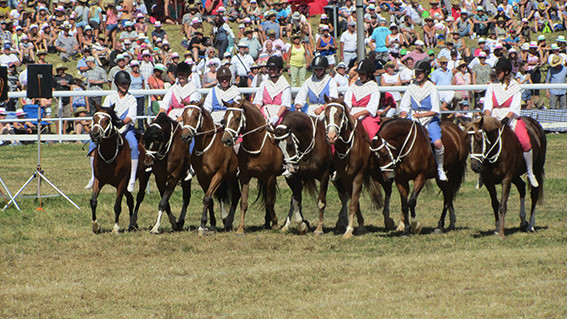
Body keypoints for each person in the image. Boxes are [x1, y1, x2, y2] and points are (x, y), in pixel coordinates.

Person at [483, 57, 539, 187]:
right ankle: (482, 172)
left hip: (510, 118)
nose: (496, 73)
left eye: (499, 71)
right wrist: (487, 120)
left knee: (525, 141)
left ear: (506, 72)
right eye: (496, 71)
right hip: (494, 117)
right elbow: (487, 105)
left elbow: (515, 106)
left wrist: (506, 119)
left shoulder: (515, 86)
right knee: (481, 139)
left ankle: (530, 172)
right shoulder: (492, 86)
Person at [85, 71, 139, 192]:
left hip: (125, 128)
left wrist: (122, 122)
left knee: (134, 145)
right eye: (122, 83)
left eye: (126, 84)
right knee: (93, 144)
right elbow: (103, 112)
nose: (124, 86)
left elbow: (131, 117)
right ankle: (93, 176)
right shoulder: (110, 97)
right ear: (117, 84)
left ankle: (132, 178)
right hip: (109, 129)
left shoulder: (132, 99)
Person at [398, 60, 447, 181]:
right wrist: (403, 115)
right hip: (413, 118)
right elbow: (404, 106)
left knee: (437, 143)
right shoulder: (411, 87)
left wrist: (422, 115)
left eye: (420, 73)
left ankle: (440, 168)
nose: (417, 75)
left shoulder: (432, 89)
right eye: (416, 72)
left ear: (425, 73)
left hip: (430, 119)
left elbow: (436, 110)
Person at [340, 59, 382, 140]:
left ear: (369, 74)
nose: (360, 76)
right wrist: (348, 113)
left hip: (366, 115)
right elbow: (347, 102)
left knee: (372, 132)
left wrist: (357, 115)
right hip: (351, 113)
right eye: (359, 74)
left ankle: (375, 149)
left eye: (362, 74)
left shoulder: (374, 87)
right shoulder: (354, 85)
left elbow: (372, 107)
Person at [252, 55, 291, 126]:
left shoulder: (285, 85)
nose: (272, 71)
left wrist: (277, 116)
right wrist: (257, 115)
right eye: (270, 69)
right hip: (265, 113)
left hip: (280, 115)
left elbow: (285, 104)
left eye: (274, 69)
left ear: (280, 70)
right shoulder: (264, 84)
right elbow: (258, 102)